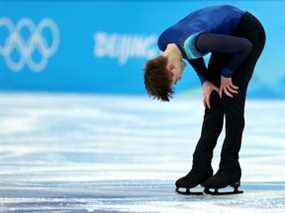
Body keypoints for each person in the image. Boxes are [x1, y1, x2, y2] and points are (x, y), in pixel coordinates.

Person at [143, 4, 266, 195]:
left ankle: (230, 170)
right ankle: (201, 168)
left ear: (170, 69)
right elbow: (187, 50)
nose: (180, 79)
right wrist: (206, 81)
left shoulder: (197, 43)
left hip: (248, 32)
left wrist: (226, 73)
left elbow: (244, 46)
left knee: (231, 97)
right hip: (224, 35)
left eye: (175, 80)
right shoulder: (164, 43)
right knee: (213, 101)